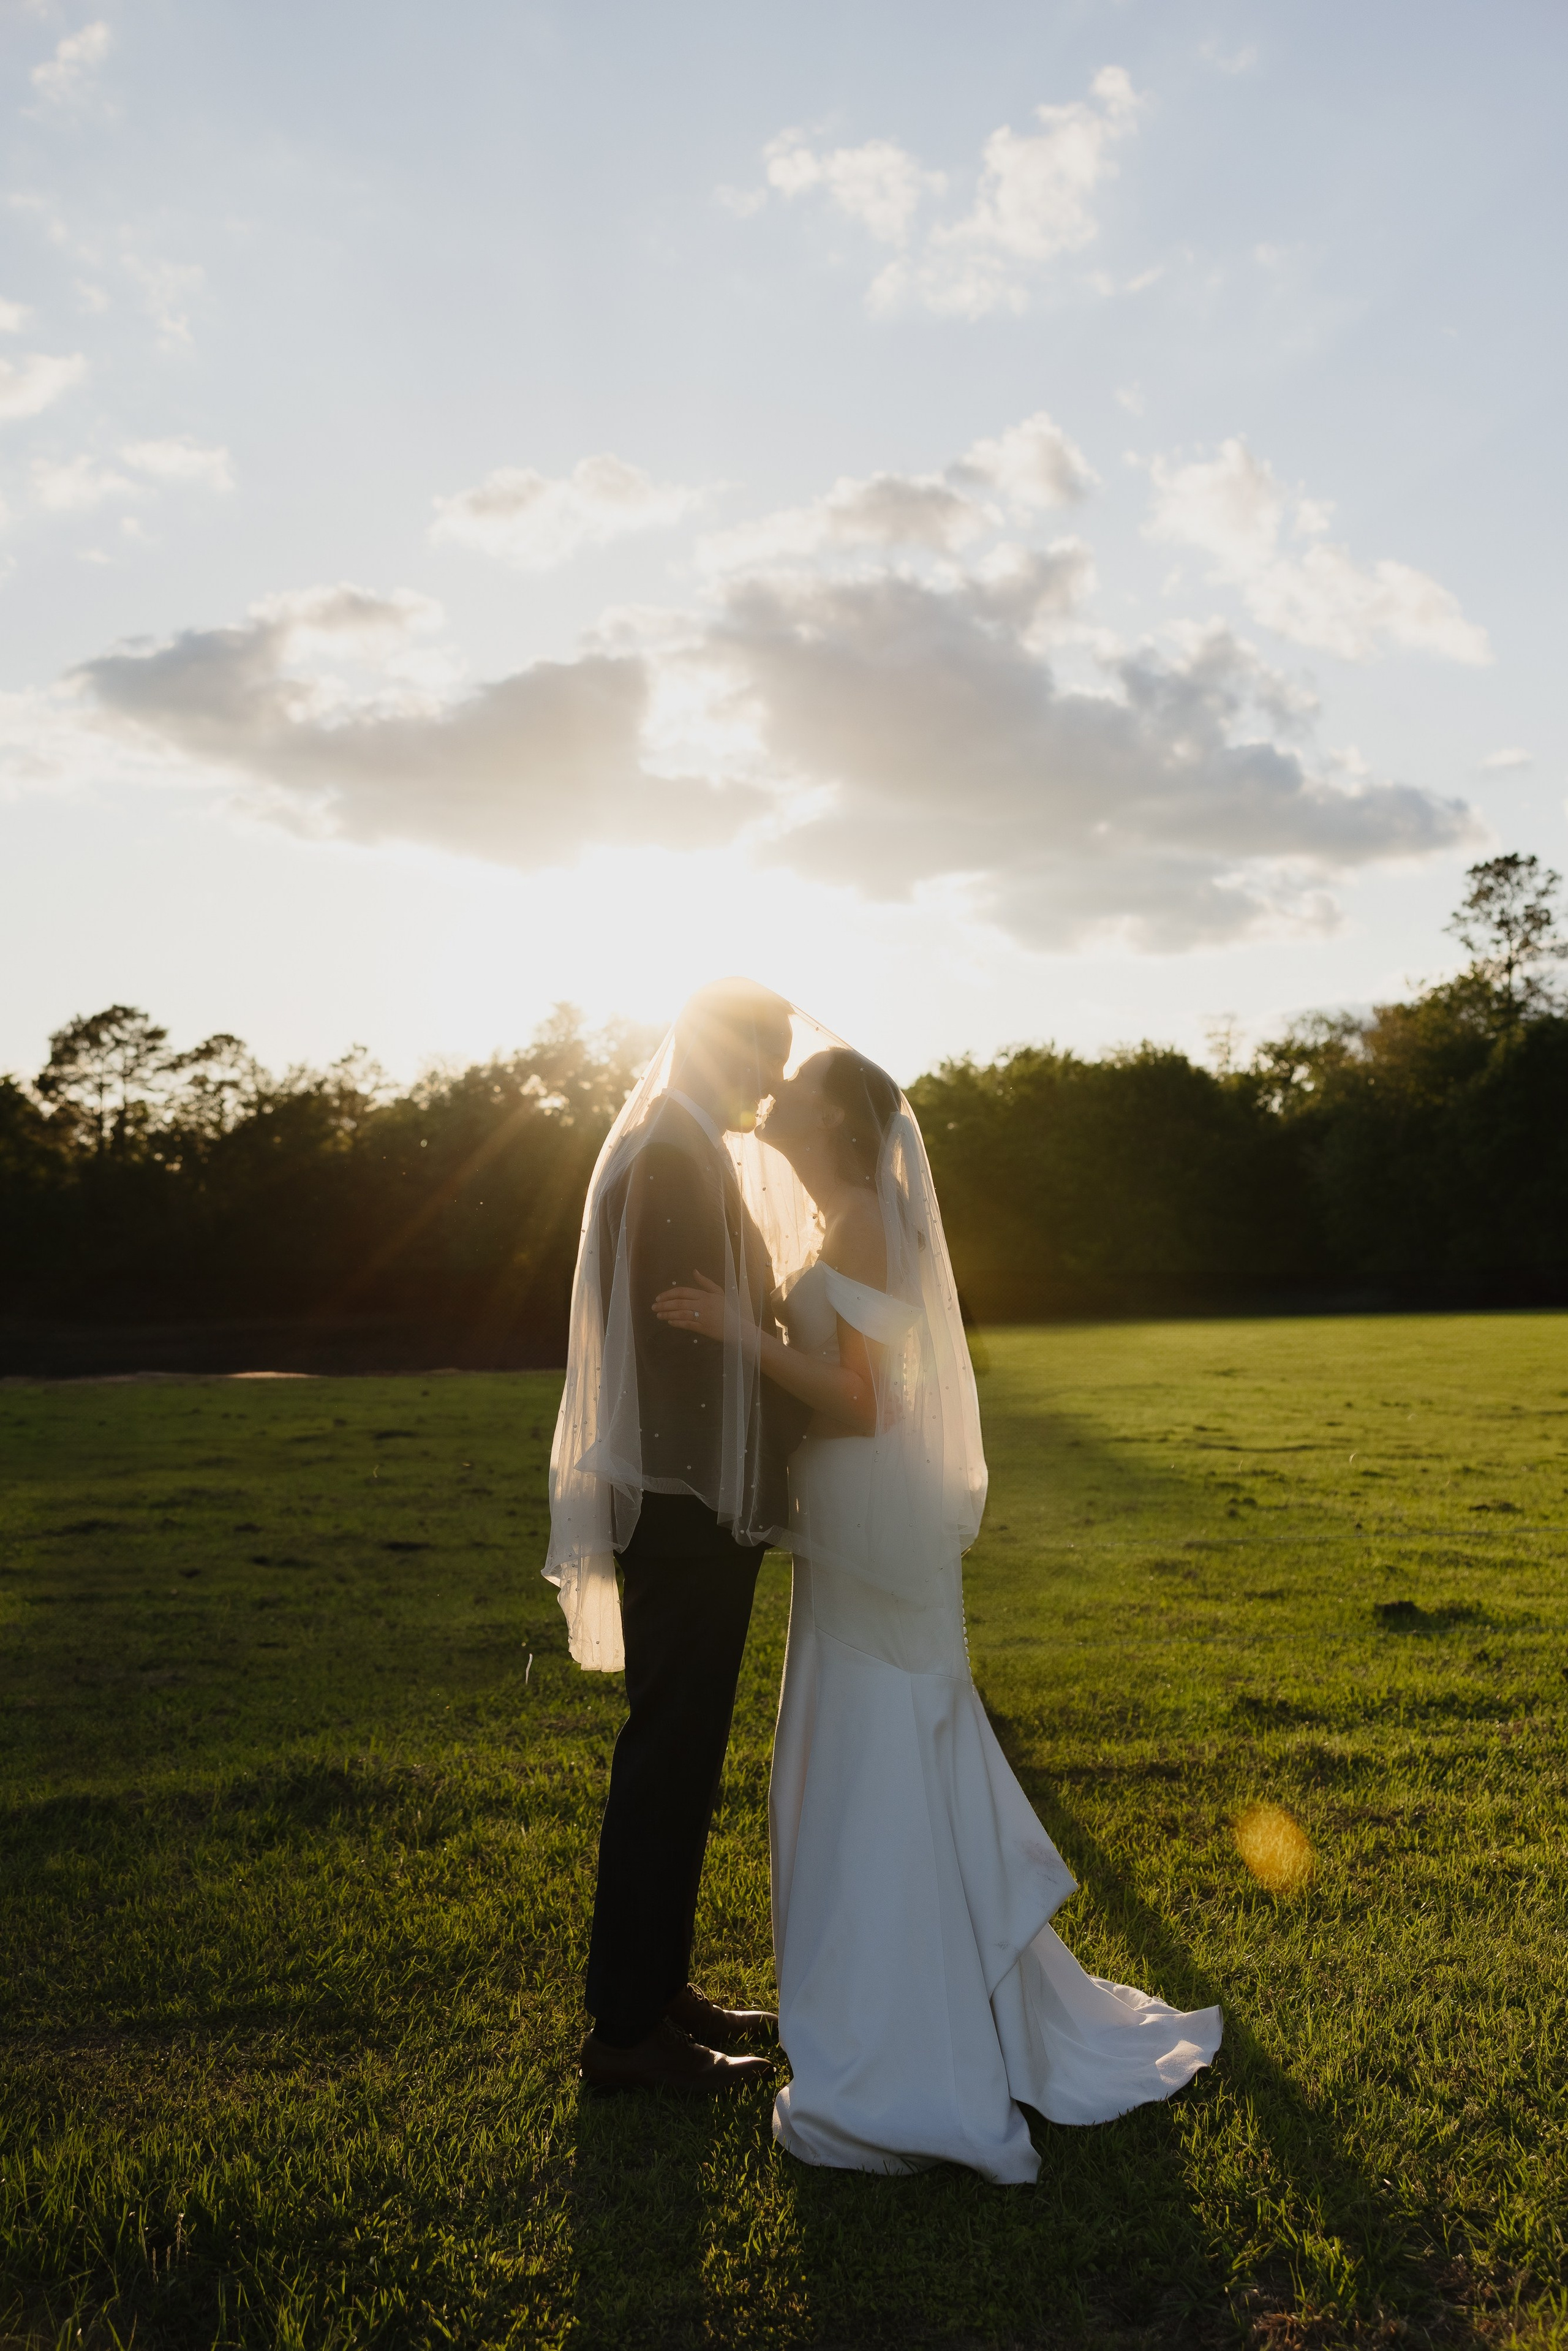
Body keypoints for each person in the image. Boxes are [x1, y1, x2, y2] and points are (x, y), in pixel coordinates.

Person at [654, 1032, 1223, 2181]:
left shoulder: (862, 1218)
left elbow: (869, 1400)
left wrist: (741, 1337)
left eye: (799, 1087)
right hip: (863, 1532)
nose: (780, 1093)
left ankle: (904, 2039)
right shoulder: (846, 1224)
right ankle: (935, 2002)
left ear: (841, 1127)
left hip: (869, 1528)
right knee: (878, 1744)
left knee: (874, 1753)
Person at [546, 978, 823, 2093]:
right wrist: (799, 1394)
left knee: (683, 1752)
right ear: (723, 1051)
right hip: (686, 1503)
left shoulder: (680, 1142)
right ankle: (626, 2035)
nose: (772, 1081)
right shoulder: (671, 1156)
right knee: (668, 1758)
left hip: (689, 1501)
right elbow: (681, 1356)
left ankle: (658, 1988)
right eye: (765, 1057)